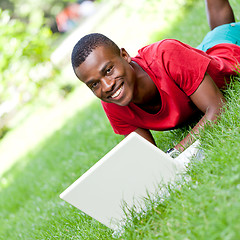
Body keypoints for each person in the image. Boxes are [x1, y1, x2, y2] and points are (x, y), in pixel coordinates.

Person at [71, 0, 240, 155]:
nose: (106, 86)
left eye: (108, 70)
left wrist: (176, 152)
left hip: (229, 51)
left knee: (221, 31)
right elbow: (150, 158)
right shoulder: (113, 101)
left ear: (124, 55)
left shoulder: (166, 55)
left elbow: (218, 108)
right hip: (191, 61)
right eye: (94, 84)